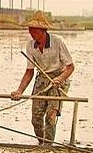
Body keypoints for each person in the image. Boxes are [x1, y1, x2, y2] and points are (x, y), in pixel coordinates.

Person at [11, 11, 75, 145]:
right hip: (42, 80)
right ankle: (42, 143)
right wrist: (19, 91)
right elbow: (29, 72)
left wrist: (60, 79)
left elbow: (70, 67)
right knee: (36, 119)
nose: (31, 33)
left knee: (51, 116)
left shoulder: (58, 42)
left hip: (58, 80)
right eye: (29, 30)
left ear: (43, 31)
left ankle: (47, 146)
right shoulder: (30, 46)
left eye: (34, 30)